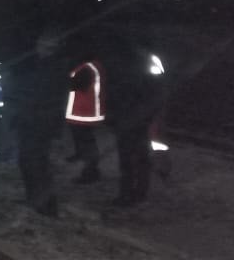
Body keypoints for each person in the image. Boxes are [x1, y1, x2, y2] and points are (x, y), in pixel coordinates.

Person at [99, 29, 167, 208]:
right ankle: (138, 192)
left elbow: (123, 92)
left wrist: (116, 115)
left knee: (130, 158)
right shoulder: (148, 63)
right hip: (137, 117)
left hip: (131, 118)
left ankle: (128, 194)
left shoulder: (131, 64)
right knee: (139, 157)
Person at [12, 25, 73, 217]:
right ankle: (34, 197)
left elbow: (47, 97)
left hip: (40, 123)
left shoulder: (55, 68)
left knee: (37, 163)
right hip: (31, 120)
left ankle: (47, 205)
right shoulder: (41, 64)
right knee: (27, 161)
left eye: (44, 43)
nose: (40, 46)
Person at [65, 59, 104, 184]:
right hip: (83, 111)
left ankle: (91, 173)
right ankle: (86, 161)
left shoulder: (86, 68)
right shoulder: (91, 66)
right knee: (85, 141)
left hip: (84, 112)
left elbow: (75, 85)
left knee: (87, 143)